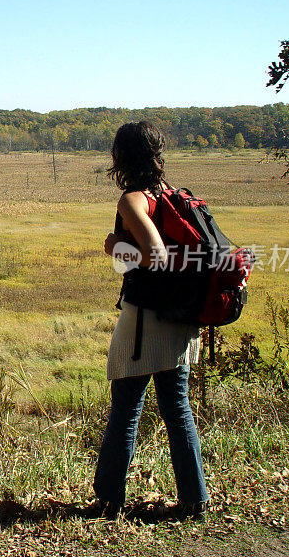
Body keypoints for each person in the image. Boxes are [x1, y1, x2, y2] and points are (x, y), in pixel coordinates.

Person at [92, 121, 209, 520]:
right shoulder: (175, 196)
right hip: (181, 318)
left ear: (120, 157)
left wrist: (118, 246)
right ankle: (195, 501)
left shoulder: (133, 200)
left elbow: (155, 256)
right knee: (178, 409)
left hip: (145, 322)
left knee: (126, 410)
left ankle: (109, 500)